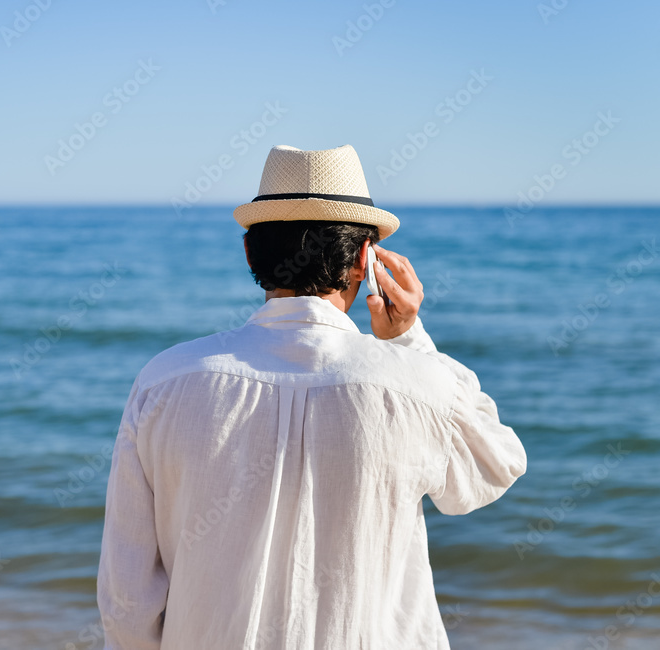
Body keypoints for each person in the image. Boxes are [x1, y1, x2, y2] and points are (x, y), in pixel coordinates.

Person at [96, 144, 527, 649]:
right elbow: (496, 465)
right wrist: (409, 339)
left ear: (251, 253)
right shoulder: (417, 384)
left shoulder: (163, 382)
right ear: (366, 258)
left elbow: (127, 599)